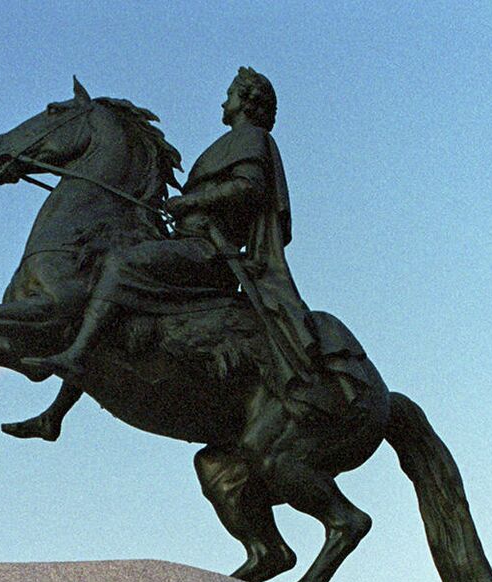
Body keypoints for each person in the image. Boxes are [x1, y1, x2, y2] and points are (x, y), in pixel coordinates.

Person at [24, 68, 326, 406]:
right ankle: (55, 413)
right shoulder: (230, 142)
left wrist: (190, 201)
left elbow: (248, 186)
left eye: (230, 95)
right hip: (189, 240)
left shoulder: (252, 138)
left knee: (121, 264)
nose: (224, 101)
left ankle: (76, 354)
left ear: (246, 100)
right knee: (108, 283)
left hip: (210, 249)